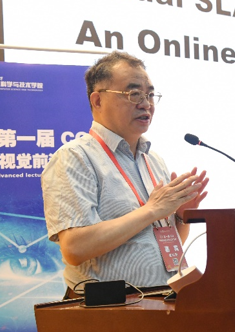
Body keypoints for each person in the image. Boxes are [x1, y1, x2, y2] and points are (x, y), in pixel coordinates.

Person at [41, 51, 208, 297]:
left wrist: (180, 217)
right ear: (97, 101)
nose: (146, 104)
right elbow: (75, 248)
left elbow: (163, 245)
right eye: (134, 94)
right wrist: (152, 210)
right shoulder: (75, 157)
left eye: (150, 95)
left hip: (162, 298)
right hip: (109, 307)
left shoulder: (153, 160)